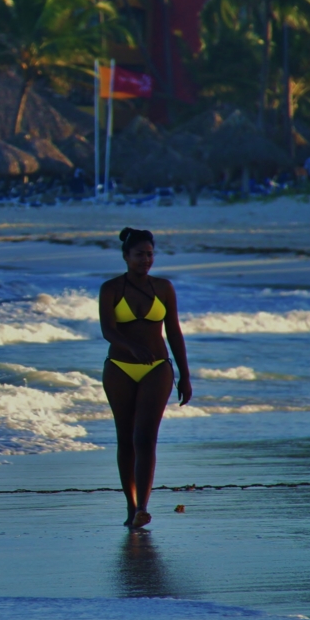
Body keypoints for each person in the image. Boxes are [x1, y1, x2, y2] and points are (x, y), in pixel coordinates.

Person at [99, 227, 193, 530]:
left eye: (150, 254)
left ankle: (143, 507)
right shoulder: (111, 288)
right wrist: (130, 346)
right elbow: (108, 331)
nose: (146, 260)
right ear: (126, 257)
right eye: (140, 254)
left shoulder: (164, 288)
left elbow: (174, 333)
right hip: (119, 368)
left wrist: (185, 376)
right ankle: (131, 507)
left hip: (157, 368)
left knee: (145, 438)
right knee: (125, 439)